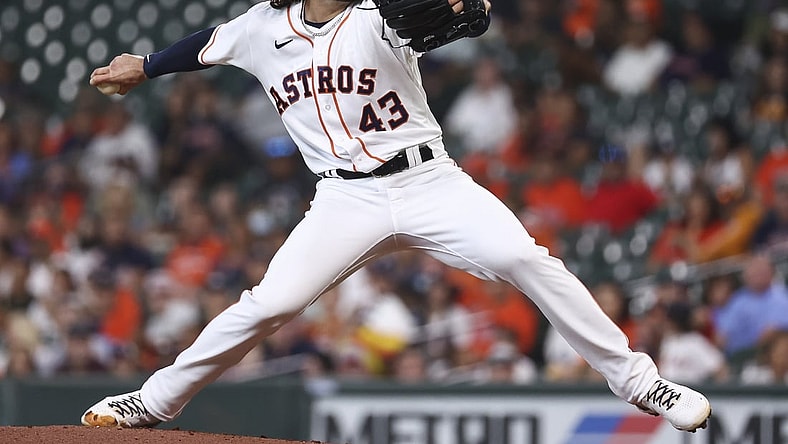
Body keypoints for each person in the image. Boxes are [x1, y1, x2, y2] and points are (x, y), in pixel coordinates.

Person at [81, 0, 711, 433]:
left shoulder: (382, 17)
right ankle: (152, 402)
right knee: (270, 302)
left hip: (428, 178)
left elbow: (458, 20)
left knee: (525, 258)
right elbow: (204, 46)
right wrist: (147, 64)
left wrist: (467, 14)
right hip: (343, 199)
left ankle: (639, 383)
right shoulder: (259, 27)